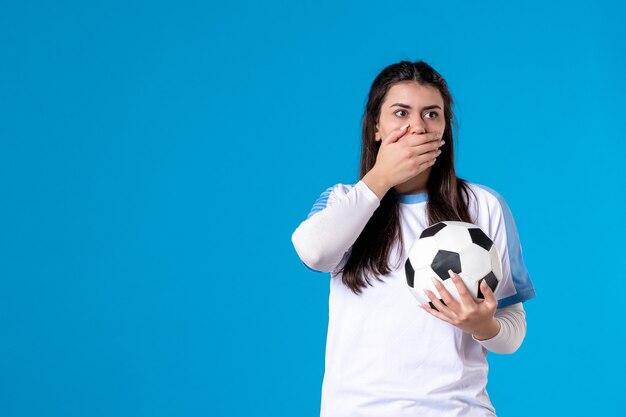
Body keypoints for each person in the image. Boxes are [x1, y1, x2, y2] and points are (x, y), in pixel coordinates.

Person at [291, 60, 536, 417]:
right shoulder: (344, 201)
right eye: (401, 113)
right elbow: (313, 252)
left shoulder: (484, 206)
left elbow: (513, 330)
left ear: (445, 130)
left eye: (432, 114)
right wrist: (381, 177)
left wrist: (483, 326)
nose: (417, 127)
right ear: (376, 126)